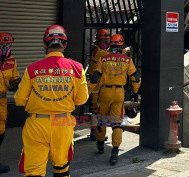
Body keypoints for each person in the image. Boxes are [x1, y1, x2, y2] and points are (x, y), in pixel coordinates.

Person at [14, 25, 88, 177]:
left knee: (33, 171)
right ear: (65, 45)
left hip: (36, 124)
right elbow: (81, 100)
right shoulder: (77, 68)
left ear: (44, 44)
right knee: (61, 168)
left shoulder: (32, 69)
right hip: (63, 123)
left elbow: (20, 100)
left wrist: (36, 103)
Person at [88, 34, 140, 165]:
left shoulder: (103, 59)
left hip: (104, 92)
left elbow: (95, 78)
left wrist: (87, 92)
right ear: (122, 45)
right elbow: (135, 78)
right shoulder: (127, 60)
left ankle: (100, 144)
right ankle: (115, 152)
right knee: (117, 122)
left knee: (101, 119)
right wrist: (135, 93)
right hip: (119, 93)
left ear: (110, 44)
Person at [0, 32, 20, 173]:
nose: (5, 47)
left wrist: (16, 84)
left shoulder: (12, 61)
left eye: (8, 45)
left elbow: (14, 78)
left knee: (1, 131)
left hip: (2, 100)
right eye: (2, 45)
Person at [86, 29, 110, 140]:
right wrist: (123, 52)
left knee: (97, 110)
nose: (105, 42)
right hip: (96, 84)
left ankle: (94, 132)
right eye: (104, 40)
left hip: (99, 83)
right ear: (98, 40)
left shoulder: (97, 49)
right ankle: (95, 133)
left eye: (107, 39)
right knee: (96, 109)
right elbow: (109, 56)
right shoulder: (99, 51)